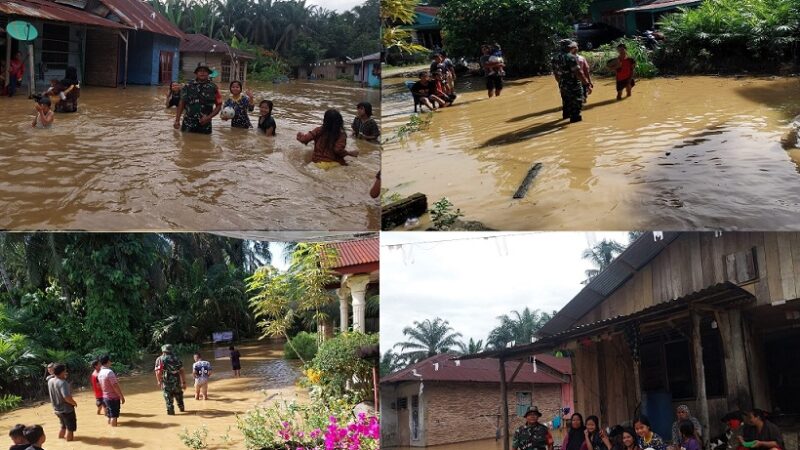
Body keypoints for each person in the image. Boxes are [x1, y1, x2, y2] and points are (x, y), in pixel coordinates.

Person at [174, 62, 222, 134]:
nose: (202, 73)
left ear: (208, 73)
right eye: (200, 71)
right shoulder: (187, 86)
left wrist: (209, 117)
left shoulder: (214, 87)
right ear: (196, 73)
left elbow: (219, 105)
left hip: (205, 125)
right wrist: (177, 120)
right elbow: (181, 103)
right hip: (188, 124)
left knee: (205, 144)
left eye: (205, 71)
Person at [552, 39, 590, 123]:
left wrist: (561, 83)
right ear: (568, 47)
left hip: (563, 85)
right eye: (572, 45)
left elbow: (556, 74)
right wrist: (586, 84)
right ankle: (577, 129)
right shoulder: (570, 57)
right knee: (576, 108)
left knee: (566, 105)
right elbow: (578, 73)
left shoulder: (555, 57)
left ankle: (566, 120)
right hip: (573, 85)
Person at [47, 364, 77, 441]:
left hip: (57, 410)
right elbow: (67, 398)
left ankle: (61, 441)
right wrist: (74, 403)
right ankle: (70, 443)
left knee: (63, 426)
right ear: (62, 372)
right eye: (65, 371)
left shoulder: (50, 381)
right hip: (66, 410)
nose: (66, 372)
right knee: (70, 429)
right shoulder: (62, 383)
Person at [154, 344, 186, 415]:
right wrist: (183, 382)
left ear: (163, 351)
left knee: (168, 400)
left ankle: (171, 413)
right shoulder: (177, 358)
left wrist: (159, 381)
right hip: (177, 382)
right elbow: (182, 371)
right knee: (179, 396)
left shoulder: (160, 359)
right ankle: (182, 409)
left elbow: (158, 372)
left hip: (166, 382)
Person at [97, 354, 125, 426]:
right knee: (114, 416)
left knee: (109, 415)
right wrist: (121, 396)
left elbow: (100, 386)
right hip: (113, 398)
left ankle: (110, 431)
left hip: (105, 397)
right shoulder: (109, 372)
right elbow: (115, 386)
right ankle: (114, 433)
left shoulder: (100, 373)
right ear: (108, 361)